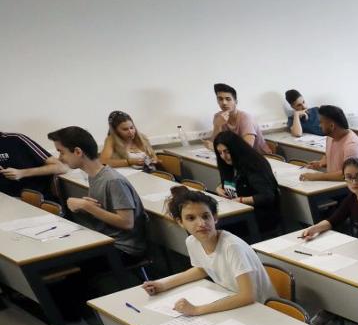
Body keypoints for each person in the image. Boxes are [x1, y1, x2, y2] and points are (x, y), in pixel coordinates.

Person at [141, 188, 275, 313]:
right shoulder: (192, 241)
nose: (201, 223)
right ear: (180, 222)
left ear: (215, 218)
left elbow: (247, 296)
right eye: (191, 218)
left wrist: (197, 310)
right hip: (233, 301)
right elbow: (202, 268)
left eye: (206, 216)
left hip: (260, 309)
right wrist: (163, 285)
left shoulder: (232, 246)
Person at [48, 126, 146, 263]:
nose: (60, 158)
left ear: (77, 152)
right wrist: (85, 207)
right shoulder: (94, 176)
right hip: (107, 240)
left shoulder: (113, 180)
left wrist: (88, 207)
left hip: (124, 249)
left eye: (62, 152)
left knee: (67, 265)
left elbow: (127, 222)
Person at [299, 157, 358, 245]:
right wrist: (313, 229)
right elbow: (333, 221)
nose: (354, 182)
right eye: (349, 177)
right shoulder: (352, 199)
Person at [213, 130, 281, 236]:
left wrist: (240, 200)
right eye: (220, 153)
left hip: (260, 215)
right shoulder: (227, 165)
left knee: (217, 228)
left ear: (235, 149)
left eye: (227, 151)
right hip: (238, 210)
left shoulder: (253, 164)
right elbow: (231, 182)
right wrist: (219, 188)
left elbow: (267, 196)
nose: (223, 156)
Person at [299, 105, 358, 192]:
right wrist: (320, 163)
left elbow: (346, 175)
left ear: (332, 126)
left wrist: (316, 176)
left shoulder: (352, 145)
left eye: (321, 122)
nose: (319, 125)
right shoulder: (331, 137)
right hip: (343, 185)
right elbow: (329, 155)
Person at [0, 130, 59, 199]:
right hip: (6, 200)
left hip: (37, 199)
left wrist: (21, 173)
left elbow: (59, 167)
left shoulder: (16, 139)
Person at [210, 83, 266, 152]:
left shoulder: (245, 118)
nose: (224, 103)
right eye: (220, 99)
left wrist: (217, 148)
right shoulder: (218, 117)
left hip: (260, 156)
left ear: (236, 102)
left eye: (228, 99)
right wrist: (217, 126)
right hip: (234, 156)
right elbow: (213, 144)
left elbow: (247, 149)